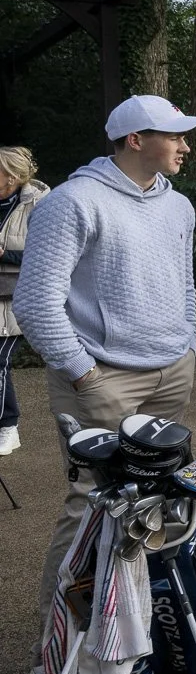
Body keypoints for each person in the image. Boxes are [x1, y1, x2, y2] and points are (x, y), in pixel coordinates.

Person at [15, 95, 196, 674]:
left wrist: (188, 341)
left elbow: (184, 284)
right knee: (91, 513)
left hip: (171, 371)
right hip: (103, 380)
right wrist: (85, 375)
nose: (184, 145)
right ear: (133, 140)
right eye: (172, 135)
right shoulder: (71, 203)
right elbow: (35, 304)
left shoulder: (177, 205)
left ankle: (130, 642)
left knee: (153, 512)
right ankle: (60, 662)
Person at [0, 145, 49, 457]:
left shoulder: (41, 203)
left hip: (16, 299)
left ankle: (7, 426)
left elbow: (49, 251)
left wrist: (5, 254)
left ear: (12, 177)